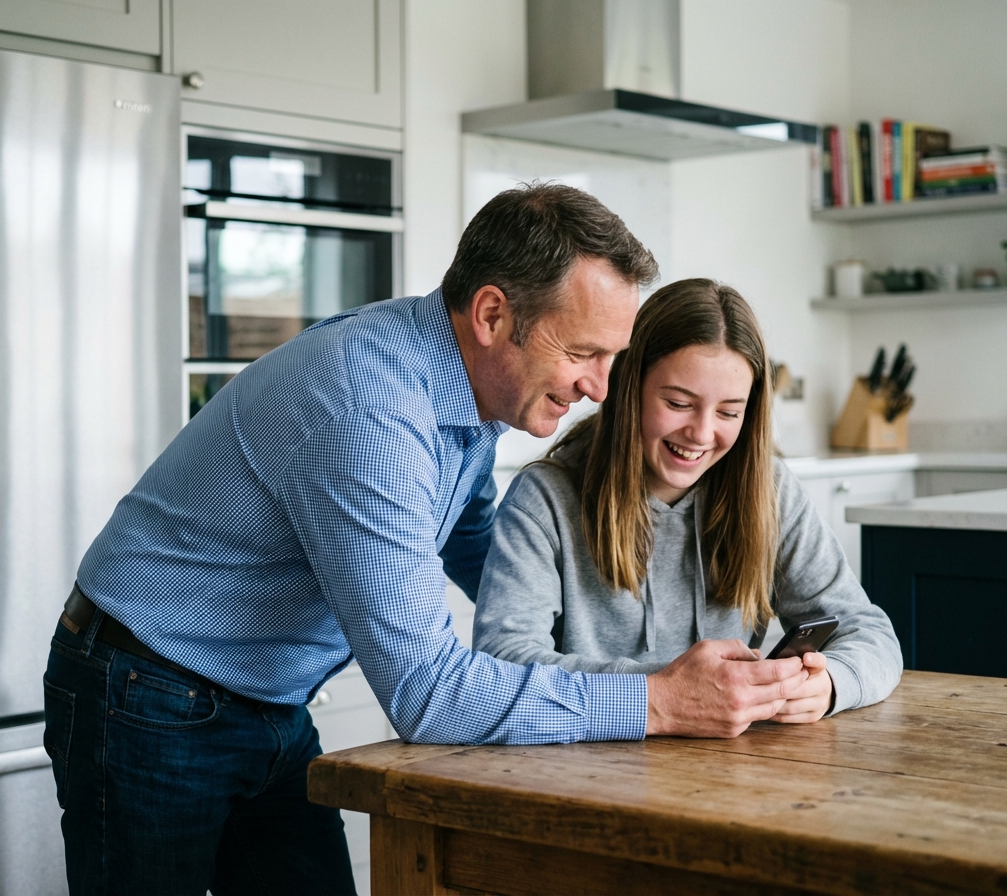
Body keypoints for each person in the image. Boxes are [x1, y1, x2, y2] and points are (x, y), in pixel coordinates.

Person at [42, 188, 814, 896]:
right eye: (583, 353)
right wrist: (657, 698)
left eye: (613, 359)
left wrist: (583, 623)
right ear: (491, 315)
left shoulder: (461, 384)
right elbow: (429, 695)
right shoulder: (371, 411)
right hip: (145, 691)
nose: (601, 389)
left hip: (266, 695)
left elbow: (474, 538)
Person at [473, 278, 903, 728]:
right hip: (588, 767)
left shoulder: (769, 491)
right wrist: (672, 692)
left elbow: (870, 633)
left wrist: (832, 682)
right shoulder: (545, 499)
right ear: (628, 388)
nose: (701, 433)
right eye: (679, 403)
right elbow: (501, 664)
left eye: (728, 412)